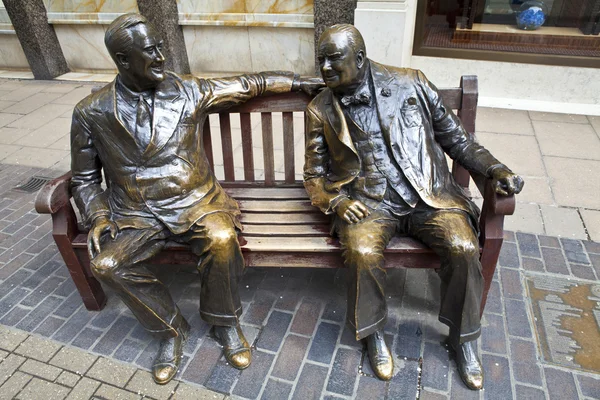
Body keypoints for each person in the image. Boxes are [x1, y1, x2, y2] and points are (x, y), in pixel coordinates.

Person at [70, 13, 322, 385]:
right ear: (123, 61)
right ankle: (170, 330)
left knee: (222, 240)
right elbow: (84, 178)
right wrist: (98, 216)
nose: (161, 57)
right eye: (150, 51)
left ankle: (224, 322)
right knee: (107, 265)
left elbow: (248, 84)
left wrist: (299, 81)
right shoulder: (91, 111)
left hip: (197, 203)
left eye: (160, 48)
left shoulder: (188, 90)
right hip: (137, 214)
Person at [303, 24, 523, 389]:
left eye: (333, 59)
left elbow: (458, 140)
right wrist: (336, 201)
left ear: (359, 58)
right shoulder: (320, 109)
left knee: (464, 246)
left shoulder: (411, 83)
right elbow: (312, 175)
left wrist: (495, 168)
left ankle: (463, 339)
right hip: (367, 202)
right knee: (360, 250)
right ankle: (373, 334)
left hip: (429, 197)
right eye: (320, 60)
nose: (324, 68)